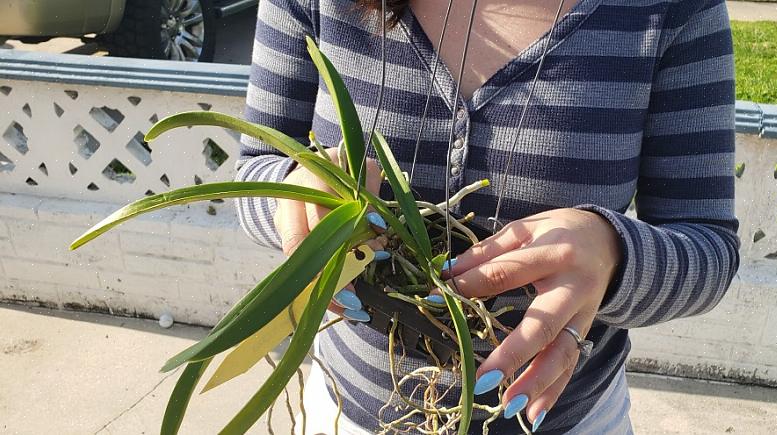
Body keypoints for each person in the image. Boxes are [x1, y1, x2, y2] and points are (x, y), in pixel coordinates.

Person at [235, 0, 740, 433]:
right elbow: (253, 170)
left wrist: (614, 252)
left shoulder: (672, 9)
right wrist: (297, 200)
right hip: (350, 411)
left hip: (564, 419)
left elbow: (709, 246)